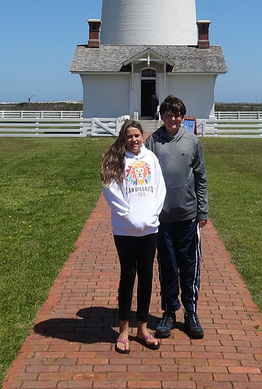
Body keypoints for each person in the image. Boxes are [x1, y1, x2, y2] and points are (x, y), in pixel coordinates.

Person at [145, 95, 208, 339]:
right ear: (162, 116)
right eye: (169, 115)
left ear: (183, 117)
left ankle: (191, 312)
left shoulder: (192, 142)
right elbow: (145, 177)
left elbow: (201, 178)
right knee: (167, 267)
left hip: (188, 217)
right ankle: (169, 311)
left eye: (177, 115)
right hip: (162, 219)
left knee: (189, 266)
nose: (173, 119)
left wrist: (202, 210)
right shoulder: (152, 143)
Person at [100, 120, 166, 354]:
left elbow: (160, 188)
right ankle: (124, 330)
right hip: (125, 229)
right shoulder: (116, 159)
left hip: (149, 228)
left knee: (146, 276)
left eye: (137, 135)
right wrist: (127, 214)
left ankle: (142, 328)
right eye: (129, 136)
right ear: (123, 138)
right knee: (128, 276)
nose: (134, 140)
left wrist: (152, 214)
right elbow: (110, 189)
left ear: (143, 136)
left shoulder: (151, 159)